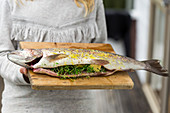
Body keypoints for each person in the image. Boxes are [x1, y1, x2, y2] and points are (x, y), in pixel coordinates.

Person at [0, 0, 107, 112]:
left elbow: (101, 54)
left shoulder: (93, 2)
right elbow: (2, 54)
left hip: (79, 106)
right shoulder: (10, 1)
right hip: (23, 106)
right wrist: (24, 74)